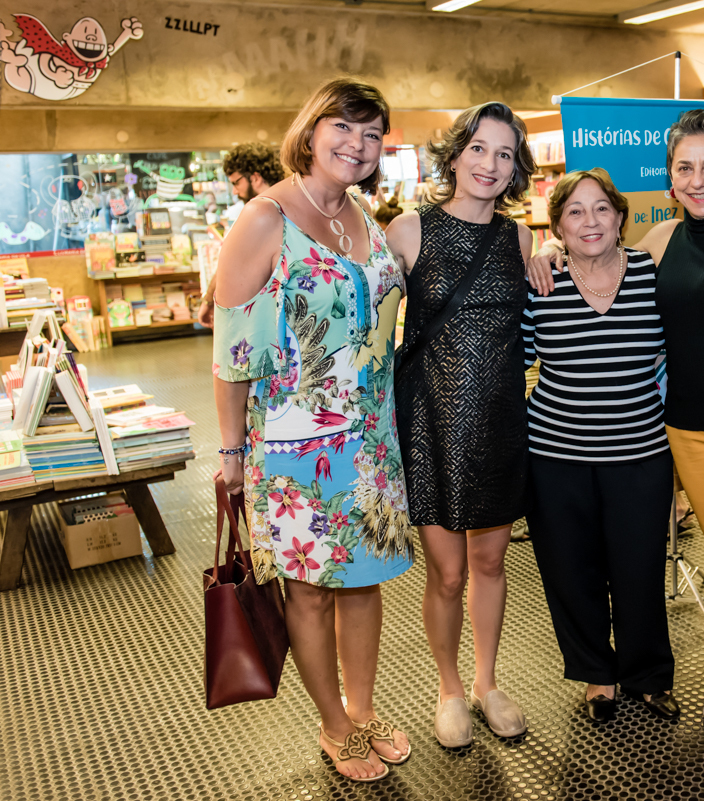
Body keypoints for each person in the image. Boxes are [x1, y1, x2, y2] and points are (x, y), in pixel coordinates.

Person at [531, 109, 704, 775]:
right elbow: (594, 256)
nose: (698, 179)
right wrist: (545, 254)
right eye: (685, 167)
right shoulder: (658, 242)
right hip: (684, 429)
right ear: (670, 179)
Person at [212, 79, 412, 782]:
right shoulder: (264, 219)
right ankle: (334, 725)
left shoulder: (362, 214)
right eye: (343, 128)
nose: (357, 145)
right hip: (296, 444)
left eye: (371, 133)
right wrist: (231, 454)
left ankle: (363, 709)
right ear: (312, 129)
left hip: (372, 440)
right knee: (311, 589)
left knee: (365, 580)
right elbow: (233, 350)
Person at [385, 102, 540, 748]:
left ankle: (486, 681)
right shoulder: (408, 231)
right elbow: (369, 328)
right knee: (447, 573)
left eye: (504, 154)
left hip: (500, 418)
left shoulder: (520, 239)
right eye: (479, 148)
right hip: (430, 423)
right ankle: (449, 688)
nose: (490, 164)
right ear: (454, 156)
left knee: (491, 561)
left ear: (515, 168)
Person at [521, 168, 679, 724]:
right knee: (572, 571)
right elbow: (515, 360)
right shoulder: (540, 284)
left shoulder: (651, 275)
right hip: (555, 457)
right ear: (557, 226)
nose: (590, 221)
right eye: (575, 212)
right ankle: (596, 674)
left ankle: (648, 674)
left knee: (640, 569)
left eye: (601, 209)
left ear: (620, 217)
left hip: (640, 453)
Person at [198, 143, 285, 328]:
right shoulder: (292, 204)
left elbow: (229, 262)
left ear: (256, 178)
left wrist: (208, 301)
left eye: (236, 183)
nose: (235, 192)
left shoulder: (257, 214)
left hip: (265, 318)